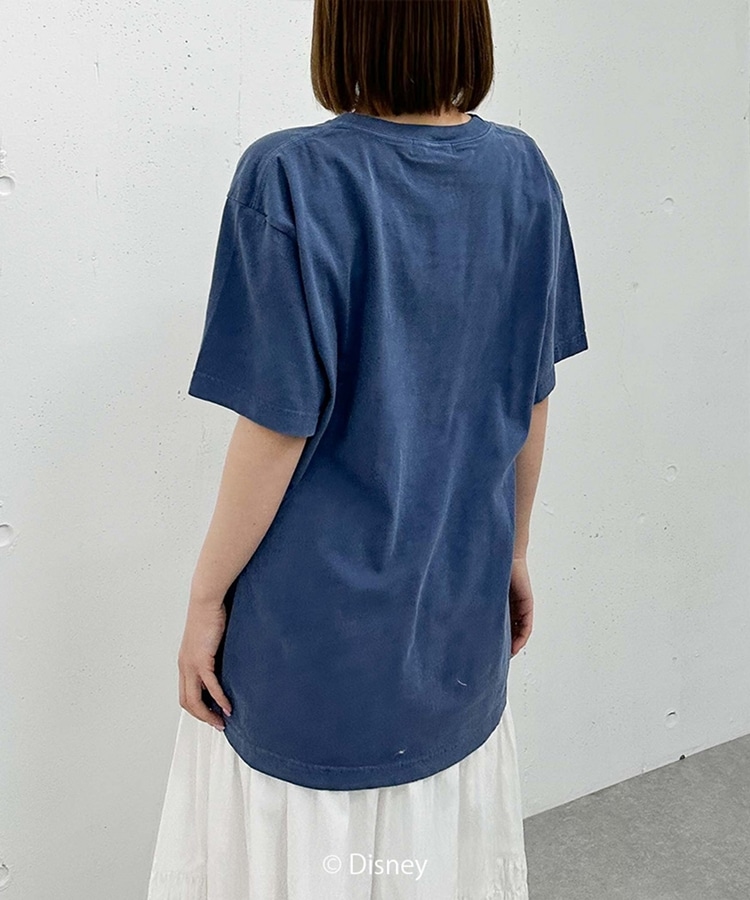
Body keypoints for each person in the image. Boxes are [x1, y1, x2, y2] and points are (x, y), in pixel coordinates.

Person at [147, 0, 589, 897]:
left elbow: (278, 426)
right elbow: (532, 396)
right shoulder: (523, 171)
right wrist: (514, 553)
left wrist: (204, 599)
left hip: (315, 636)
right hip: (456, 611)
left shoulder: (288, 175)